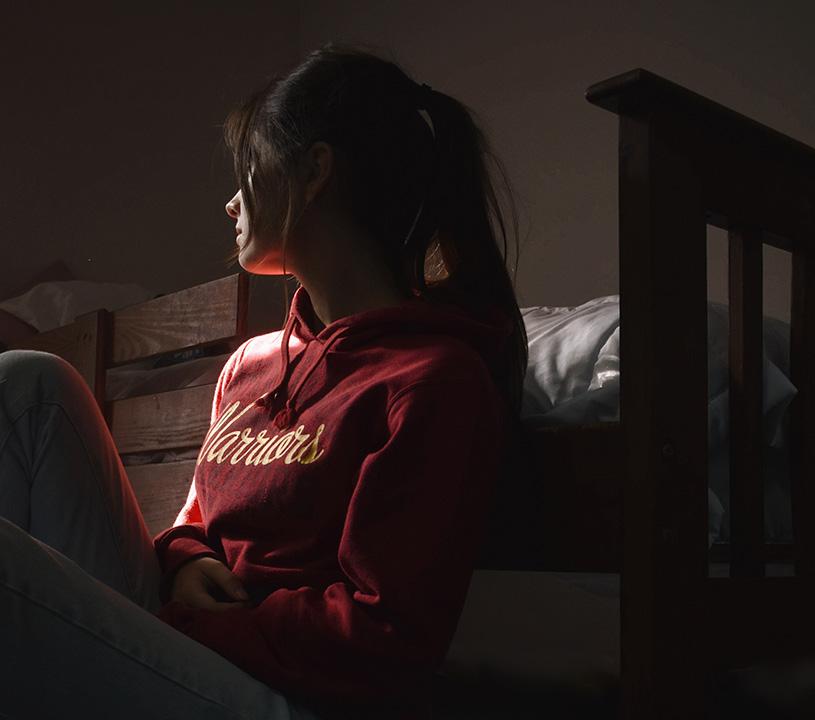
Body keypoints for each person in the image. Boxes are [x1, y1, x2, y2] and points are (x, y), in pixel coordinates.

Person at [0, 42, 527, 719]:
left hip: (292, 694)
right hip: (196, 649)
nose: (229, 203)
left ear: (314, 172)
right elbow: (196, 521)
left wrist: (192, 628)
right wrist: (187, 560)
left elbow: (383, 639)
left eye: (248, 170)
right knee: (31, 387)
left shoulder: (431, 381)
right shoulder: (248, 366)